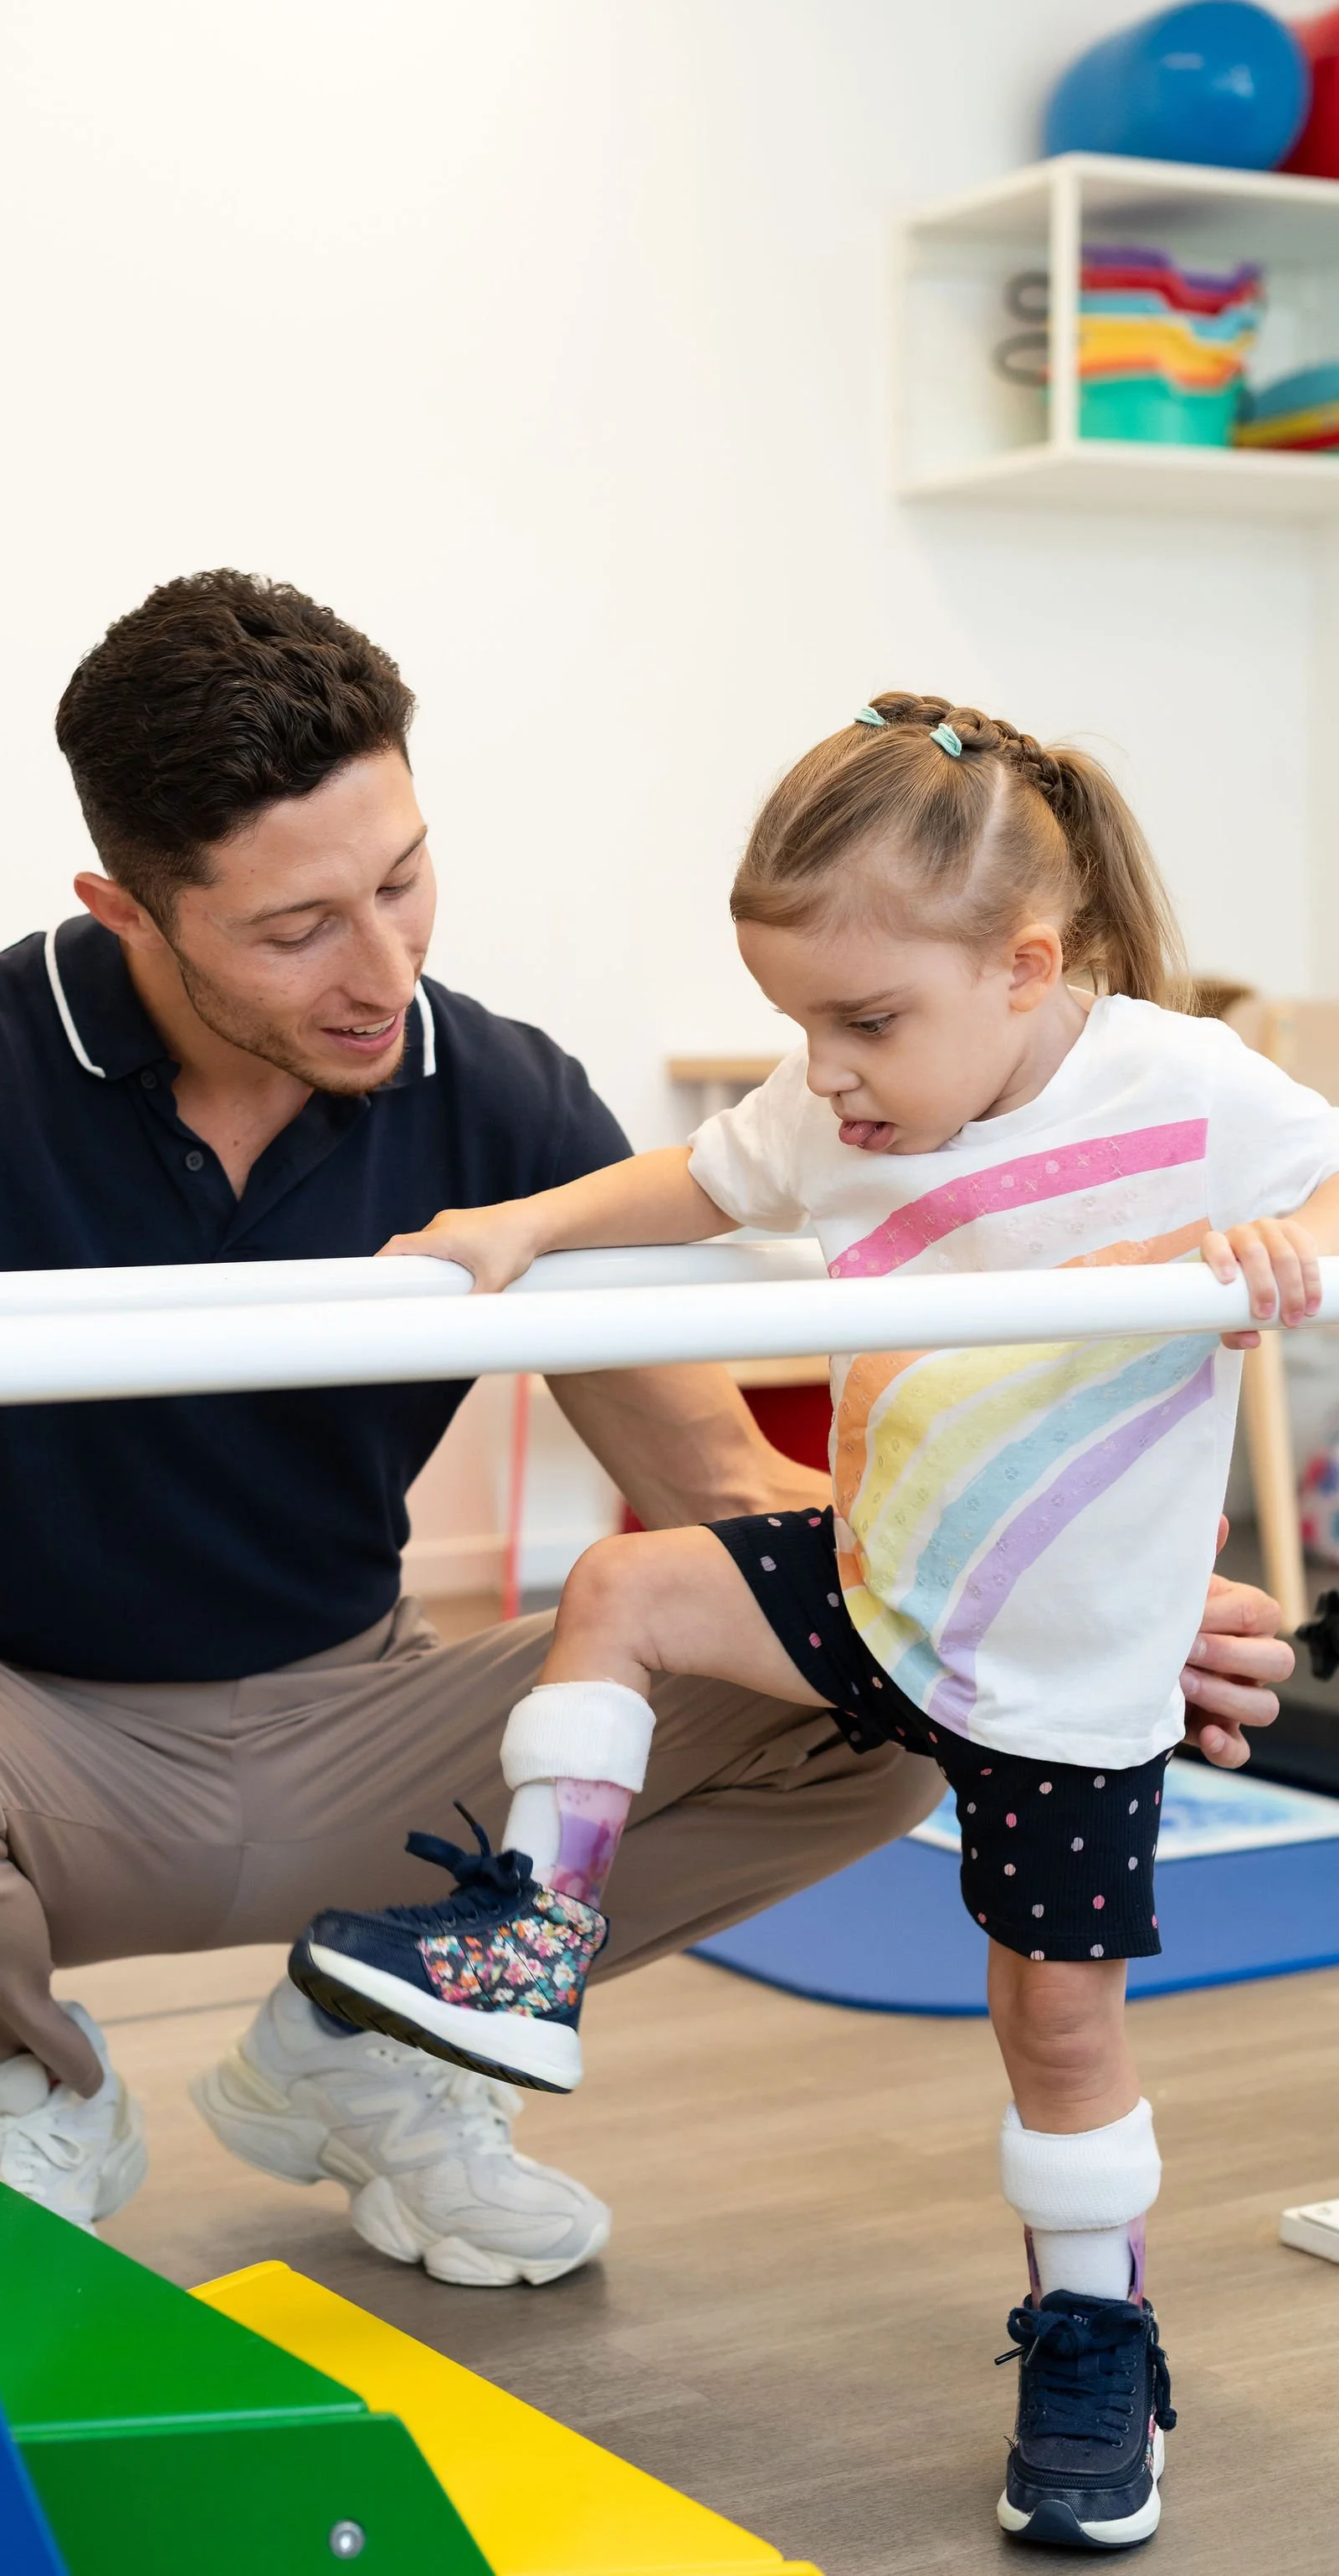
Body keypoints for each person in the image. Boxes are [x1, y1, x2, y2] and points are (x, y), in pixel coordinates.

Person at [0, 613, 1285, 2281]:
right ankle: (25, 2090)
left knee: (884, 1712)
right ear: (128, 909)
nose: (381, 970)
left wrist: (1061, 1602)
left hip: (367, 1732)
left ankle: (376, 2054)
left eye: (403, 881)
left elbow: (729, 1488)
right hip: (29, 1752)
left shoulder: (499, 1095)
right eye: (297, 928)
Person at [293, 691, 1338, 2544]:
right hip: (872, 1579)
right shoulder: (838, 1105)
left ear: (1026, 966)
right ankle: (533, 1935)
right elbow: (701, 1179)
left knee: (1056, 2027)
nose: (826, 1073)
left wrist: (1281, 1245)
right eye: (797, 1024)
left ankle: (1095, 2342)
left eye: (865, 1023)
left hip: (1074, 1679)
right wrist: (521, 1225)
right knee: (623, 1585)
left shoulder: (1186, 1091)